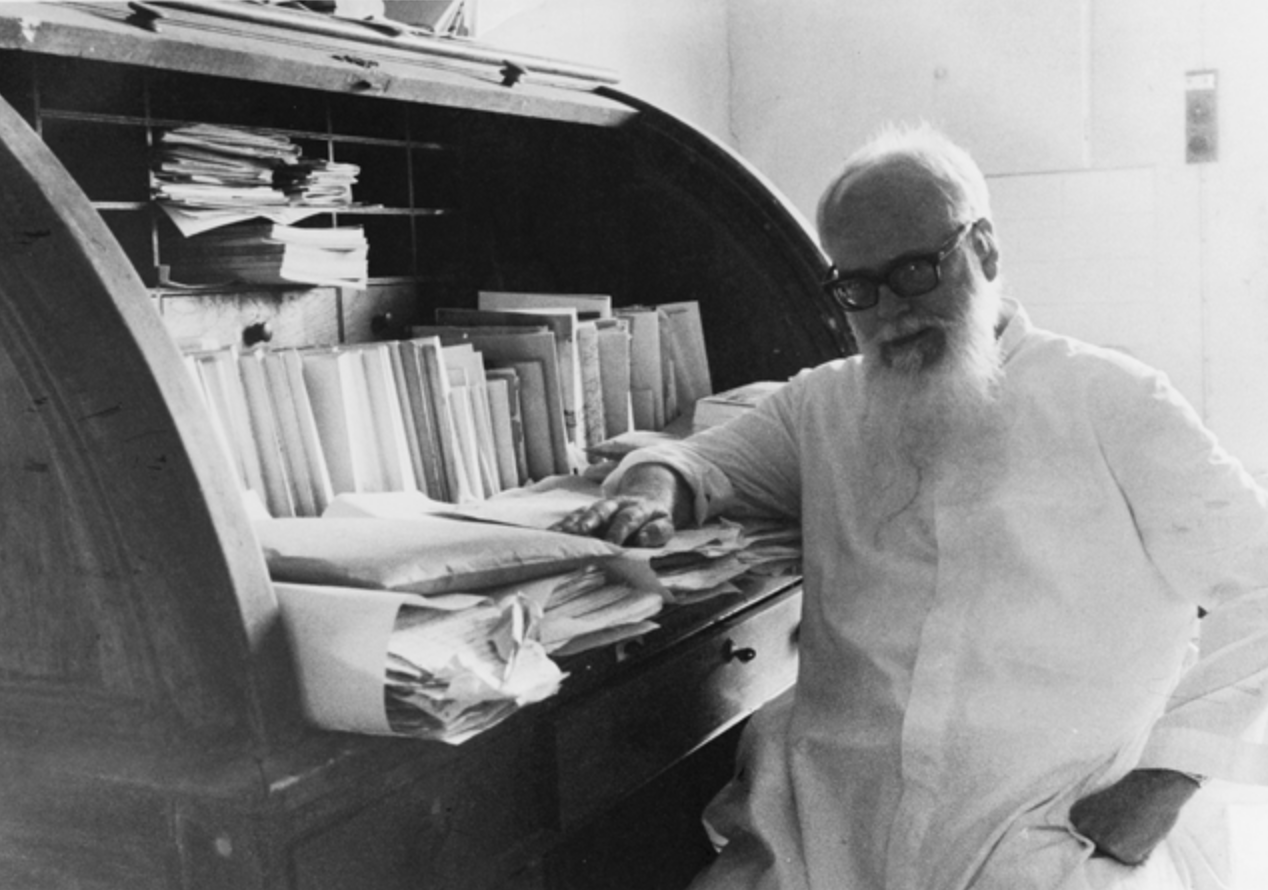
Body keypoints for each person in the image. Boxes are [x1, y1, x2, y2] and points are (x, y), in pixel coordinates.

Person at [553, 123, 1268, 889]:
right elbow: (695, 460)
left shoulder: (1112, 399)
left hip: (1047, 832)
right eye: (858, 288)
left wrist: (1169, 779)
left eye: (917, 271)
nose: (890, 313)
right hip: (826, 837)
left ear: (984, 251)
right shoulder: (822, 406)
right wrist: (649, 485)